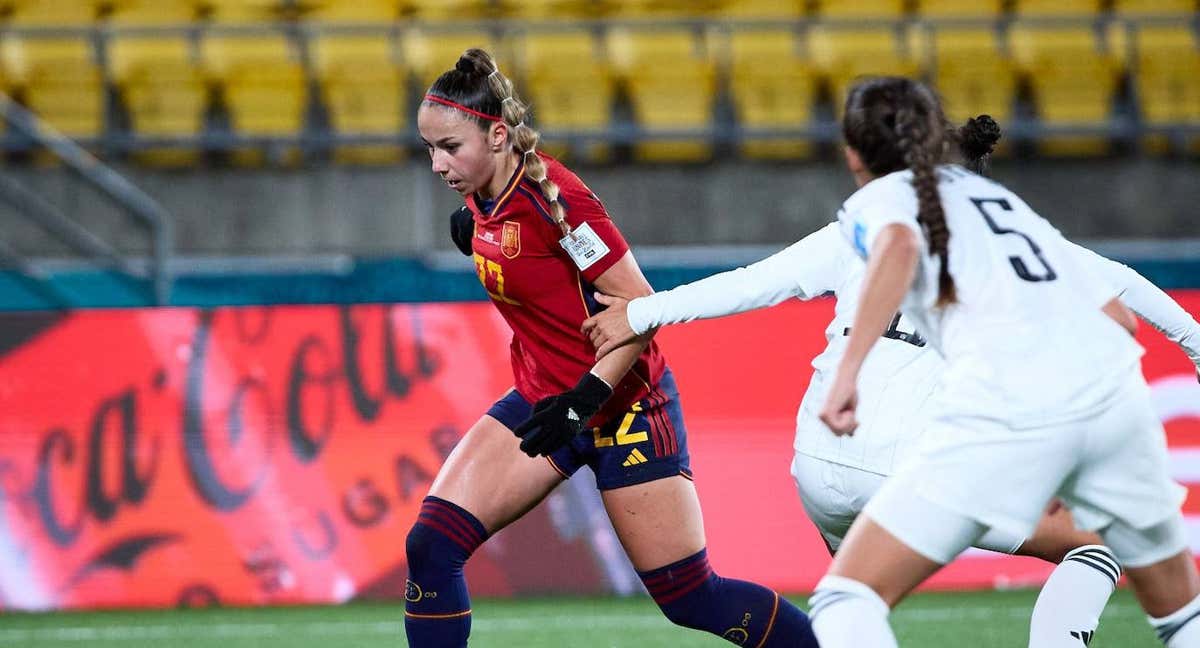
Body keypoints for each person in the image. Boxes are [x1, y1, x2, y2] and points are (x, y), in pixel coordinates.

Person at [581, 115, 1200, 647]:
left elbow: (749, 284)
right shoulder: (1016, 244)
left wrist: (640, 312)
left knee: (855, 601)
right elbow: (1128, 286)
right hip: (905, 466)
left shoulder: (862, 228)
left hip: (816, 464)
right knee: (1096, 542)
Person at [404, 48, 819, 648]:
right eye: (429, 149)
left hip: (625, 409)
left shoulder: (558, 203)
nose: (438, 164)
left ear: (498, 136)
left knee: (691, 598)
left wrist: (584, 401)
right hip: (546, 402)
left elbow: (639, 310)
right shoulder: (484, 192)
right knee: (432, 545)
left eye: (449, 147)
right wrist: (478, 233)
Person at [785, 75, 1199, 647]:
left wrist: (849, 372)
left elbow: (895, 254)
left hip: (969, 436)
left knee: (847, 595)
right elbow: (1120, 308)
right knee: (1173, 608)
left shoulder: (883, 219)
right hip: (1103, 414)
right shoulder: (1013, 224)